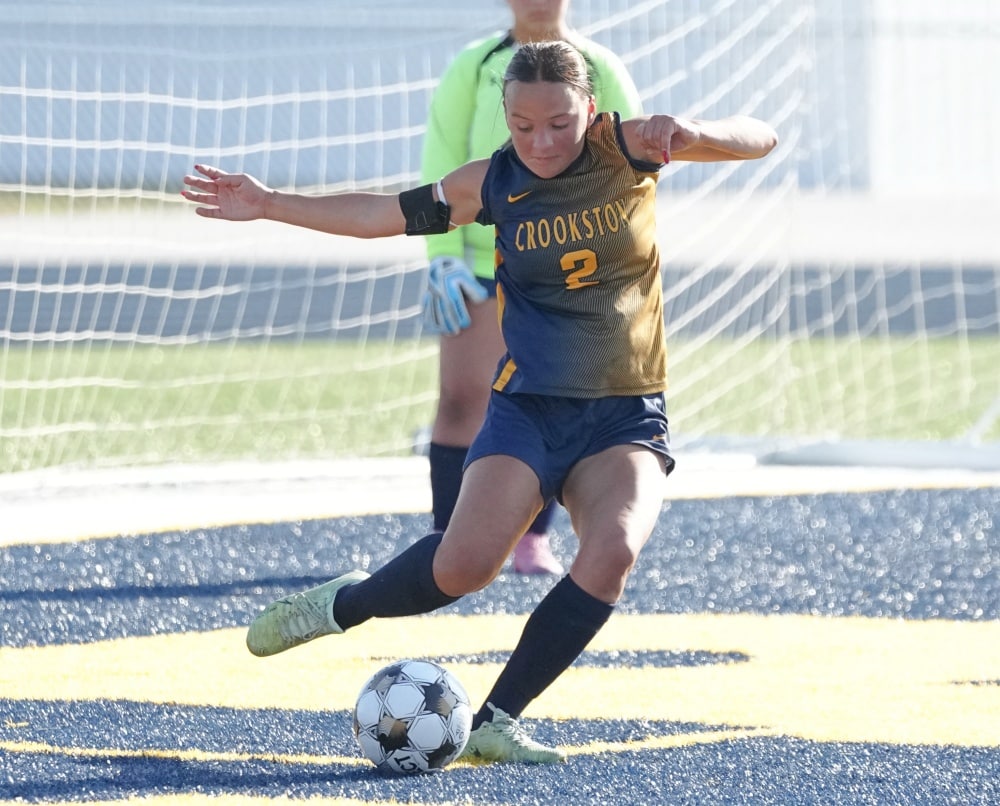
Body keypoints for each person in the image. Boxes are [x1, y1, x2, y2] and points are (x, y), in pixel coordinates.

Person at [182, 40, 777, 765]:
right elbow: (381, 215)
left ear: (590, 109)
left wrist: (690, 132)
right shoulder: (492, 182)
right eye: (523, 126)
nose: (541, 142)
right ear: (506, 117)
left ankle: (497, 719)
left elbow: (762, 137)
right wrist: (270, 203)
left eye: (558, 123)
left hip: (624, 414)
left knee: (613, 550)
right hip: (528, 410)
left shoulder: (630, 148)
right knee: (461, 569)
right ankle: (341, 604)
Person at [420, 0, 643, 575]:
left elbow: (631, 170)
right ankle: (445, 537)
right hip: (477, 266)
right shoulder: (475, 65)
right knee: (461, 398)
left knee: (554, 402)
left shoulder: (601, 66)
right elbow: (442, 156)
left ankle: (531, 538)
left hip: (564, 270)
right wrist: (442, 258)